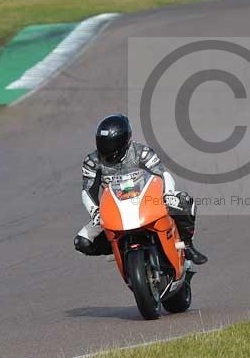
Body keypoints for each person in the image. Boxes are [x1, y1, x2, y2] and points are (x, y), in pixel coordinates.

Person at [74, 113, 208, 265]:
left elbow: (162, 174)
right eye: (104, 143)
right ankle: (119, 248)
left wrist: (168, 193)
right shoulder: (92, 162)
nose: (108, 149)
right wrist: (95, 212)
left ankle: (186, 245)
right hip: (114, 209)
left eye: (112, 144)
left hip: (147, 202)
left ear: (124, 140)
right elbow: (88, 190)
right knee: (82, 242)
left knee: (184, 202)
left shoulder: (142, 152)